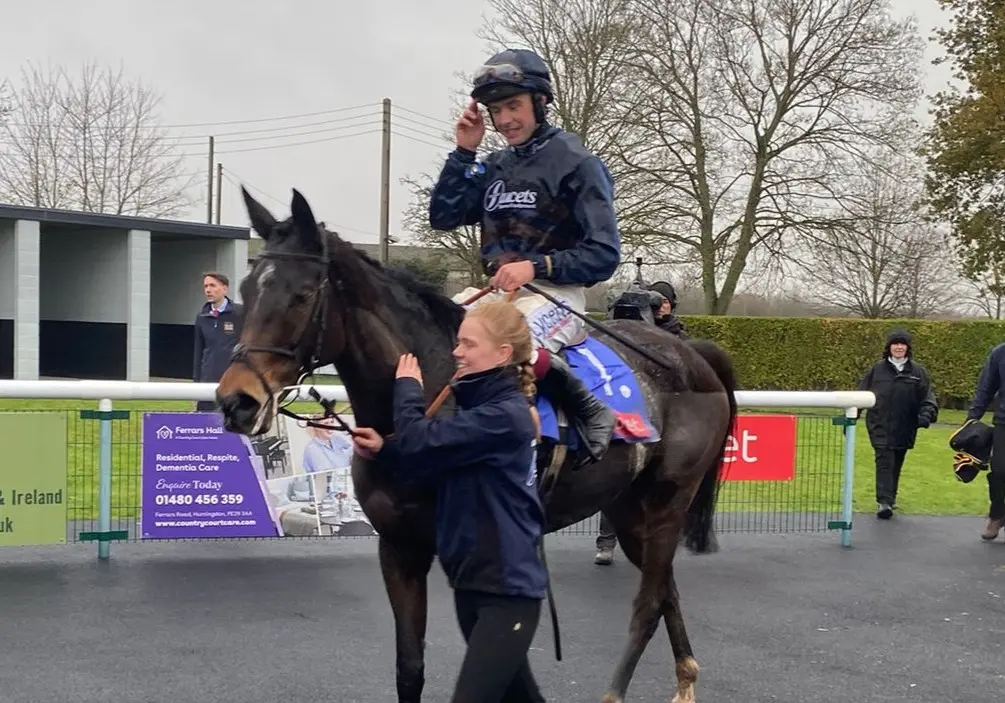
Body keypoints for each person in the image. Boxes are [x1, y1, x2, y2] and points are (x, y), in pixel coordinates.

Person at [429, 47, 621, 468]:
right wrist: (463, 153)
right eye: (496, 110)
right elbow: (443, 217)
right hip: (496, 295)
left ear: (540, 101)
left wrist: (535, 267)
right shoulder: (495, 165)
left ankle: (590, 411)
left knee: (510, 343)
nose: (504, 120)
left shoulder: (579, 163)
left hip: (556, 295)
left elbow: (605, 255)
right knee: (434, 331)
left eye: (513, 106)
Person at [352, 301, 548, 702]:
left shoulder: (505, 414)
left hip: (506, 594)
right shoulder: (481, 409)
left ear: (503, 353)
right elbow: (434, 457)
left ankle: (592, 414)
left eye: (469, 344)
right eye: (459, 342)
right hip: (471, 584)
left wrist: (408, 388)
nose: (457, 351)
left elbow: (419, 438)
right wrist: (384, 451)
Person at [594, 279, 689, 566]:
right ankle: (606, 541)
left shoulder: (677, 335)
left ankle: (652, 540)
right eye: (656, 301)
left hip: (666, 420)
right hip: (632, 414)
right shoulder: (622, 332)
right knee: (616, 480)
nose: (661, 307)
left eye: (665, 302)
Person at [856, 328, 938, 520]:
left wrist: (926, 414)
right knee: (884, 461)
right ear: (889, 347)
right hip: (880, 424)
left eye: (903, 344)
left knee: (897, 461)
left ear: (908, 348)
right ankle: (884, 502)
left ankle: (890, 498)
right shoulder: (877, 370)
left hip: (905, 426)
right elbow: (861, 393)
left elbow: (927, 397)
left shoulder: (917, 372)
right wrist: (853, 415)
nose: (899, 347)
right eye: (895, 344)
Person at [962, 340, 1005, 541]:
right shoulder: (999, 353)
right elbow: (986, 388)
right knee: (999, 470)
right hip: (1004, 421)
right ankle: (997, 514)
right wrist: (972, 418)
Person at [193, 272, 243, 412]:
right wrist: (196, 383)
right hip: (208, 379)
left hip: (234, 379)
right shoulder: (202, 316)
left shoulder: (240, 313)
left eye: (212, 286)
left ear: (224, 289)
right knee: (206, 420)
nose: (208, 290)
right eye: (206, 286)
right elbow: (198, 351)